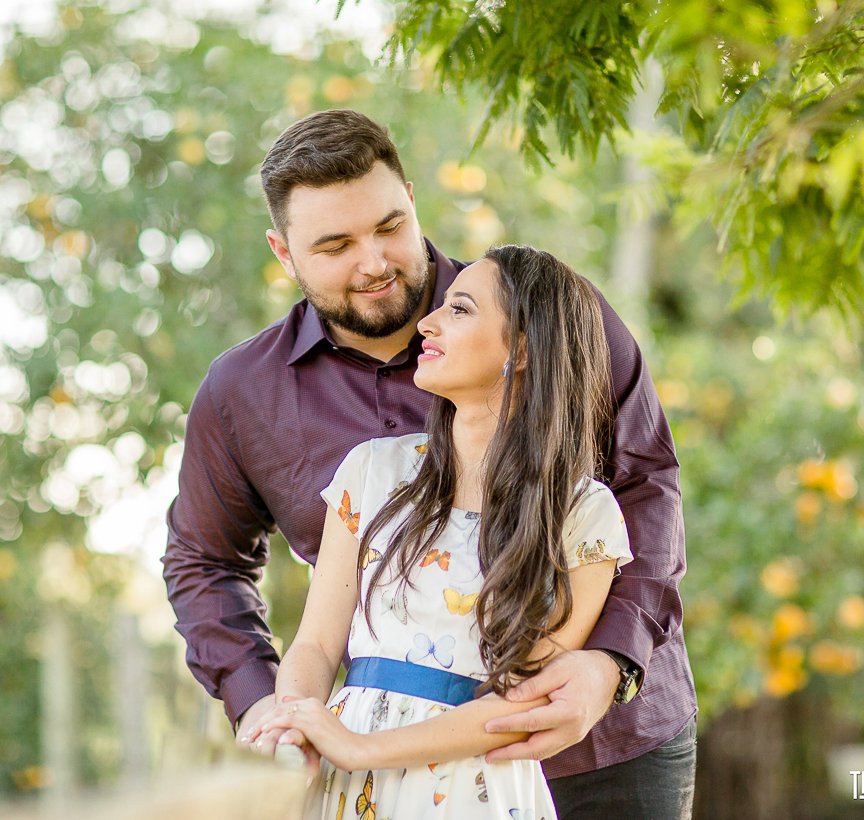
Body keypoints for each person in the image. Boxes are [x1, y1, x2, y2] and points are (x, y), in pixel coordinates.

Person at [162, 109, 697, 820]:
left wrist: (608, 662)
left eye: (388, 227)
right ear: (284, 253)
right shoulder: (242, 395)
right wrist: (279, 716)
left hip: (608, 748)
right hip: (384, 783)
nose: (375, 262)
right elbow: (204, 564)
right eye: (336, 244)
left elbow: (646, 487)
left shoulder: (552, 315)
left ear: (412, 201)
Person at [244, 244, 633, 820]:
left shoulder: (582, 514)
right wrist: (296, 722)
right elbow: (318, 644)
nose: (426, 322)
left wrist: (363, 748)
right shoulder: (371, 472)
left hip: (474, 791)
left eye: (460, 310)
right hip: (347, 789)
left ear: (523, 348)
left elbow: (521, 702)